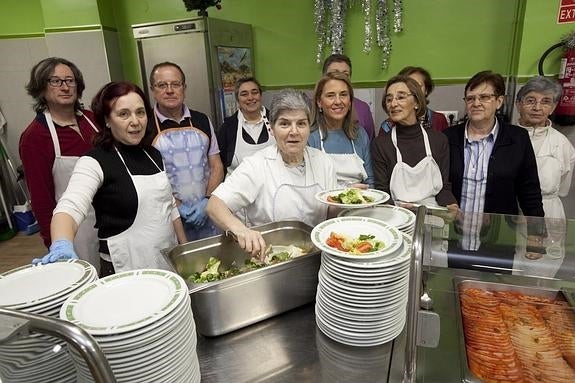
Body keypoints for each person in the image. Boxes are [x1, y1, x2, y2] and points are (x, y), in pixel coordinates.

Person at [32, 81, 187, 276]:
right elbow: (70, 207)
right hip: (125, 269)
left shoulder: (153, 155)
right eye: (124, 114)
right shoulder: (94, 161)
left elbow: (169, 207)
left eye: (140, 112)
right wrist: (61, 243)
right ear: (107, 119)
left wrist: (184, 250)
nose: (135, 121)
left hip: (166, 263)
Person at [206, 89, 337, 257]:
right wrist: (241, 230)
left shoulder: (324, 162)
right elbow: (214, 205)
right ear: (272, 129)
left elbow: (331, 213)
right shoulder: (257, 165)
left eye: (301, 123)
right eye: (284, 123)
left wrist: (349, 201)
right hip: (271, 259)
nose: (294, 131)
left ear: (308, 128)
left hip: (318, 257)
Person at [444, 71, 544, 251]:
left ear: (499, 101)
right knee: (456, 278)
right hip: (454, 234)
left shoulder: (517, 139)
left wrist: (536, 235)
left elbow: (530, 190)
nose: (476, 103)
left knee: (494, 279)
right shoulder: (448, 137)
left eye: (484, 97)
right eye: (470, 98)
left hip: (499, 237)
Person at [19, 57, 100, 271]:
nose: (65, 87)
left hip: (111, 217)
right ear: (41, 88)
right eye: (55, 81)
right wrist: (55, 243)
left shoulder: (94, 120)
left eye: (70, 81)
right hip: (74, 228)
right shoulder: (35, 137)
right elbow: (41, 200)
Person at [149, 62, 224, 241]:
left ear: (184, 88)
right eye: (162, 85)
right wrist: (177, 206)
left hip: (207, 210)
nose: (169, 90)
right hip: (168, 216)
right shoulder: (146, 127)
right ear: (153, 89)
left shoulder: (202, 120)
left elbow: (216, 166)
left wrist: (207, 200)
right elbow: (150, 179)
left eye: (175, 84)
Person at [513, 76, 575, 274]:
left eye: (545, 101)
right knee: (508, 271)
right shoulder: (506, 137)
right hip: (510, 211)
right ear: (518, 104)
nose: (537, 107)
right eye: (530, 100)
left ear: (554, 106)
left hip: (549, 212)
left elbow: (563, 188)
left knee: (542, 272)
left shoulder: (562, 144)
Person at [371, 75, 458, 210]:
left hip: (433, 215)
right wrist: (401, 212)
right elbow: (383, 193)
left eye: (401, 97)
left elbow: (443, 189)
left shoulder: (438, 140)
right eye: (389, 99)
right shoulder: (381, 144)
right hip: (397, 214)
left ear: (417, 103)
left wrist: (452, 207)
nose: (393, 104)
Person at [308, 72, 373, 189]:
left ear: (350, 102)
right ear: (319, 102)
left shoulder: (360, 134)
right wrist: (344, 193)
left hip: (360, 204)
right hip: (323, 205)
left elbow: (370, 181)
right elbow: (308, 186)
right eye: (330, 96)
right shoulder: (310, 137)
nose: (338, 101)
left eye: (343, 95)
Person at [217, 77, 275, 177]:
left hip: (273, 189)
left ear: (260, 95)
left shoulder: (276, 120)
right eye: (244, 94)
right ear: (237, 99)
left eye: (254, 92)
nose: (250, 97)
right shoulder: (227, 128)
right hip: (237, 190)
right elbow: (220, 164)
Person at [322, 54, 376, 141]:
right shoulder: (311, 110)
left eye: (345, 74)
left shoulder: (363, 109)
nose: (339, 78)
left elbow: (370, 144)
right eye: (334, 73)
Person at [380, 66, 449, 134]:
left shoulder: (439, 119)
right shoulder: (387, 126)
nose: (414, 91)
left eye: (417, 86)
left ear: (426, 90)